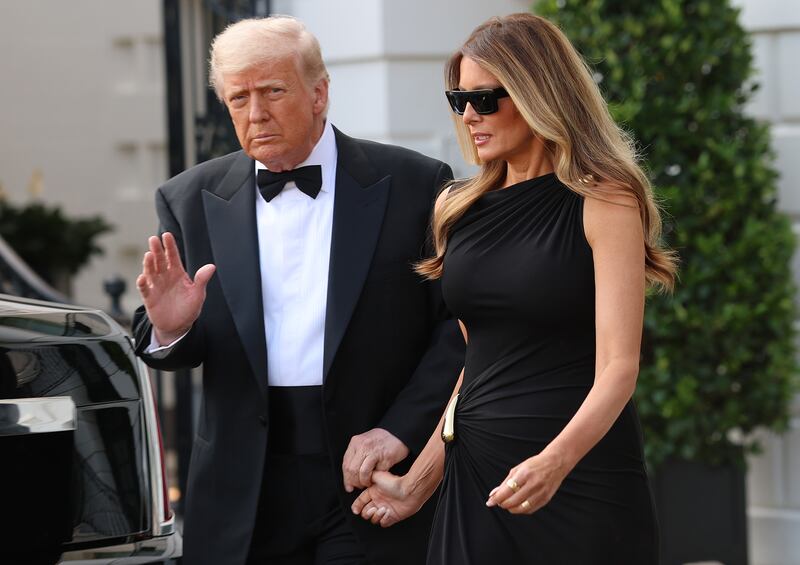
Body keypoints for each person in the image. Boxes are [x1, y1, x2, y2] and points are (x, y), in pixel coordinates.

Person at [131, 16, 464, 565]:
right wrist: (172, 326)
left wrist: (401, 431)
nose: (256, 113)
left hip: (370, 475)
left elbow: (456, 327)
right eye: (238, 98)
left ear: (319, 93)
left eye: (272, 91)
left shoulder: (415, 183)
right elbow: (157, 339)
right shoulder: (189, 197)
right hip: (244, 489)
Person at [351, 13, 678, 564]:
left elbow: (620, 366)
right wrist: (420, 482)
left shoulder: (606, 199)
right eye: (459, 101)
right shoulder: (458, 209)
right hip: (479, 476)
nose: (470, 115)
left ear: (537, 94)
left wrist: (555, 461)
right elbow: (472, 366)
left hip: (581, 478)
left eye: (486, 99)